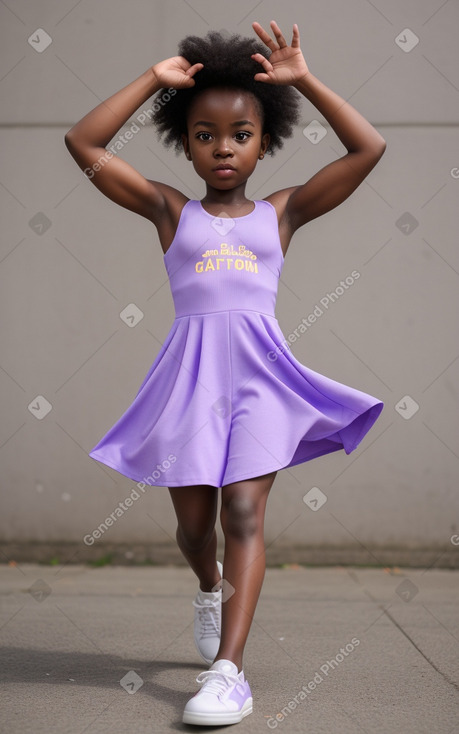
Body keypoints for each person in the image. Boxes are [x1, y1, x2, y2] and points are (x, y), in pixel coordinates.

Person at [64, 19, 385, 726]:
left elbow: (368, 147)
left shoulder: (282, 213)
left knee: (244, 510)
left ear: (264, 141)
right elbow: (83, 144)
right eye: (204, 134)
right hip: (191, 384)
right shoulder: (168, 210)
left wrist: (304, 82)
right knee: (194, 527)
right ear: (186, 142)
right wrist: (154, 78)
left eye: (239, 134)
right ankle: (207, 584)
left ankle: (227, 672)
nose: (222, 147)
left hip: (260, 383)